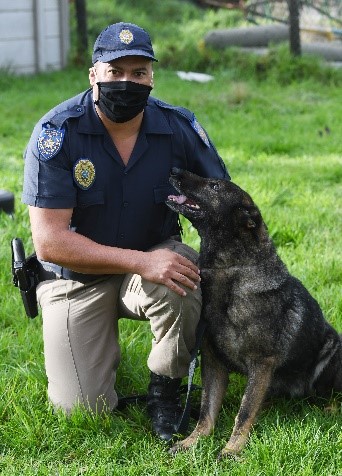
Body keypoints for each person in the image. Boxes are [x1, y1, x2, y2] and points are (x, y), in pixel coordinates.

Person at [22, 22, 230, 441]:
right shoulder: (57, 133)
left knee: (181, 278)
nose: (126, 82)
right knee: (80, 408)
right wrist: (140, 261)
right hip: (75, 279)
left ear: (152, 78)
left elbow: (221, 203)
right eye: (115, 71)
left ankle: (166, 390)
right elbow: (51, 241)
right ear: (94, 74)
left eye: (138, 73)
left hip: (154, 260)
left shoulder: (178, 128)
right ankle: (98, 352)